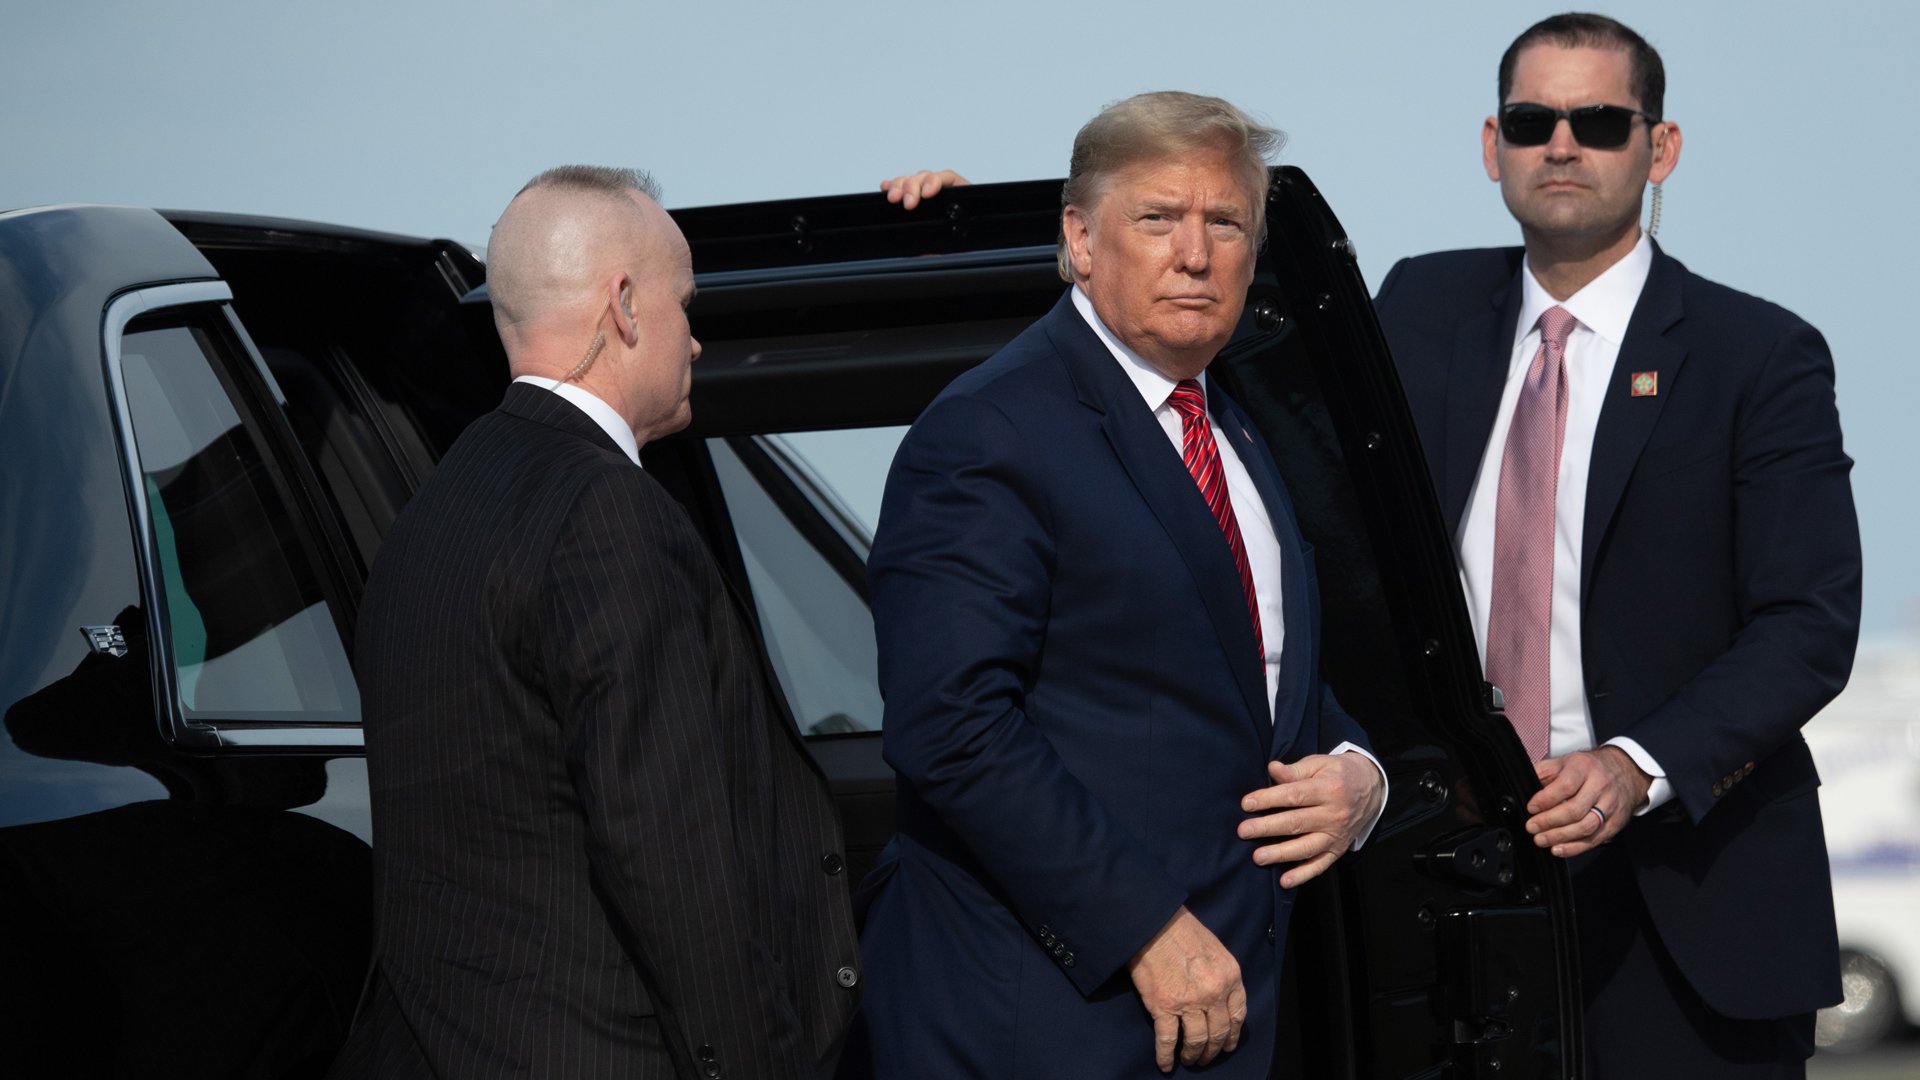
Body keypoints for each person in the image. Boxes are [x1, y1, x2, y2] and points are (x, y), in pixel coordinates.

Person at [860, 92, 1387, 1079]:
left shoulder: (1231, 428)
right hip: (1045, 1026)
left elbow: (1256, 681)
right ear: (1081, 238)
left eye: (1225, 222)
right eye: (1158, 219)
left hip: (1226, 1021)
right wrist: (1144, 929)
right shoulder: (991, 431)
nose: (1196, 253)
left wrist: (1358, 769)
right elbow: (951, 723)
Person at [1371, 14, 1860, 1078]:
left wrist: (1638, 767)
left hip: (1687, 893)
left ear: (1660, 147)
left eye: (1597, 120)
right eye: (1531, 119)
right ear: (1491, 144)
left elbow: (1808, 624)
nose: (1561, 144)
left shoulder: (1757, 355)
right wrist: (946, 222)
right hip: (1449, 884)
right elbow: (1203, 331)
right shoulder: (1416, 306)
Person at [333, 165, 860, 1079]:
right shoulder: (608, 514)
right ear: (623, 305)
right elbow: (672, 860)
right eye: (684, 304)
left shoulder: (429, 516)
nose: (695, 340)